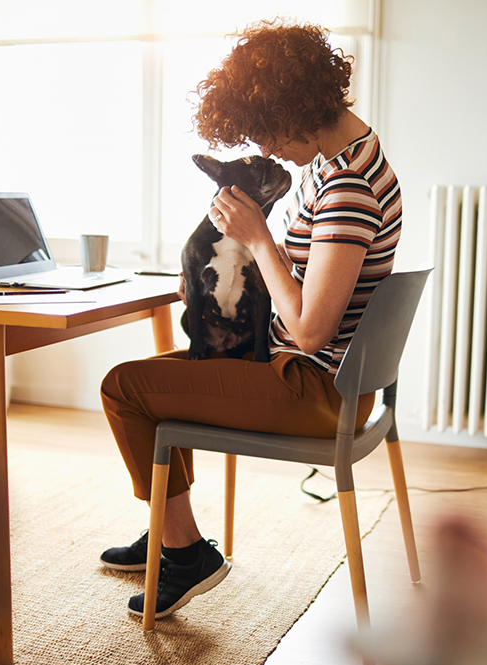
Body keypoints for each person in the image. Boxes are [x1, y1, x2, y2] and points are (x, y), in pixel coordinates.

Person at [99, 18, 403, 619]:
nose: (263, 149)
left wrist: (259, 239)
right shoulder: (346, 160)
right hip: (312, 374)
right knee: (152, 378)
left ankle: (184, 552)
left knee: (123, 388)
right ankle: (170, 530)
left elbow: (311, 329)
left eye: (265, 132)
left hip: (311, 386)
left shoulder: (347, 186)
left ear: (294, 107)